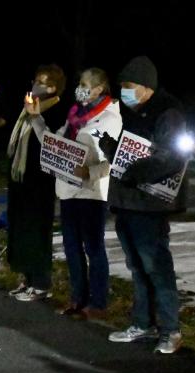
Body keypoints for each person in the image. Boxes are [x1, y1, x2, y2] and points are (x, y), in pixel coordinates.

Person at [101, 56, 188, 354]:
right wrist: (112, 151)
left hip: (150, 205)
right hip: (128, 202)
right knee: (137, 267)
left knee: (156, 266)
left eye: (129, 87)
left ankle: (170, 329)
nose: (124, 93)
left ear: (146, 87)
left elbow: (170, 158)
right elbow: (129, 153)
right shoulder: (132, 113)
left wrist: (135, 171)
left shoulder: (168, 113)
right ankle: (143, 323)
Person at [32, 68, 122, 318]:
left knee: (94, 248)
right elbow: (54, 144)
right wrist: (36, 119)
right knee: (72, 248)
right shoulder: (75, 115)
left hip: (92, 194)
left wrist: (89, 173)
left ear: (99, 88)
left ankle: (99, 302)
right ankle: (77, 299)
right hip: (68, 191)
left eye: (84, 84)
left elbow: (113, 160)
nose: (79, 88)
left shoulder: (110, 119)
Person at [6, 64, 69, 301]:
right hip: (22, 179)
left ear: (54, 87)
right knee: (22, 229)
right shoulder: (28, 109)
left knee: (37, 230)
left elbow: (52, 143)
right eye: (36, 80)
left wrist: (36, 117)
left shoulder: (56, 110)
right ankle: (27, 279)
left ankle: (41, 282)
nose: (37, 86)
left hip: (41, 181)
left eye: (43, 82)